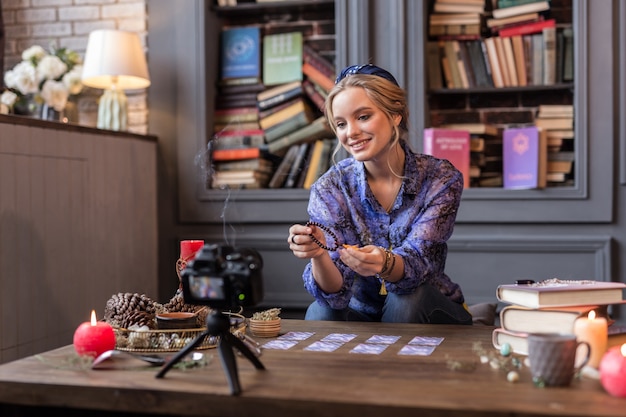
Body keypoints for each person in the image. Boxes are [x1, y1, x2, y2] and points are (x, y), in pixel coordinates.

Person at [287, 64, 472, 324]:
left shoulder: (440, 178)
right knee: (320, 312)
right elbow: (334, 295)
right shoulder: (330, 188)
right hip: (363, 313)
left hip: (430, 309)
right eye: (341, 123)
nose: (350, 132)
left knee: (406, 299)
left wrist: (385, 264)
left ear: (395, 114)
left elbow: (419, 263)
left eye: (363, 117)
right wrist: (319, 255)